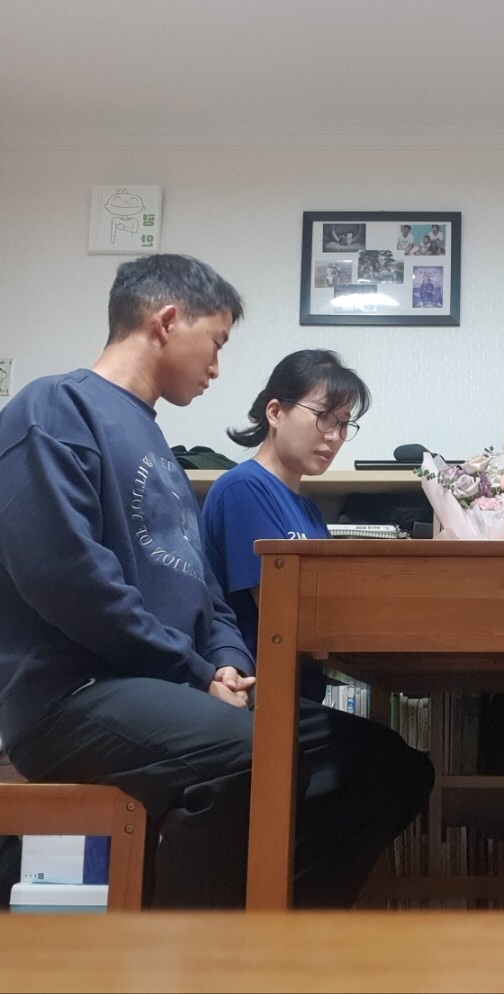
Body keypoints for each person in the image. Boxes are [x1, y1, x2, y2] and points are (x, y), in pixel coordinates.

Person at [0, 254, 433, 909]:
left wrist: (229, 664)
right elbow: (66, 578)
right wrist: (195, 672)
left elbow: (207, 594)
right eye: (218, 342)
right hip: (75, 695)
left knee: (387, 766)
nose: (217, 366)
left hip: (167, 684)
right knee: (257, 753)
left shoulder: (159, 449)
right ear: (167, 321)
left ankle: (274, 925)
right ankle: (193, 952)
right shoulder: (55, 407)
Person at [201, 349, 369, 702]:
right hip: (258, 694)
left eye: (343, 423)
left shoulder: (308, 510)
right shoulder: (243, 489)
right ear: (275, 412)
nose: (334, 436)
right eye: (323, 417)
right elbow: (289, 617)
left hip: (300, 693)